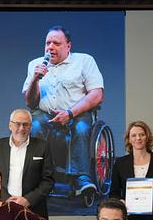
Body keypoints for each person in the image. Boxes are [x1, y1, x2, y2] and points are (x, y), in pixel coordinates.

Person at [22, 25, 104, 195]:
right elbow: (30, 102)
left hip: (76, 113)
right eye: (47, 43)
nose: (50, 47)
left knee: (81, 128)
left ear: (68, 46)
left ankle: (80, 177)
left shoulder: (84, 61)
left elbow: (97, 94)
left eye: (56, 43)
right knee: (35, 125)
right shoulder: (35, 64)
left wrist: (70, 113)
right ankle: (38, 175)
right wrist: (35, 80)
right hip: (46, 114)